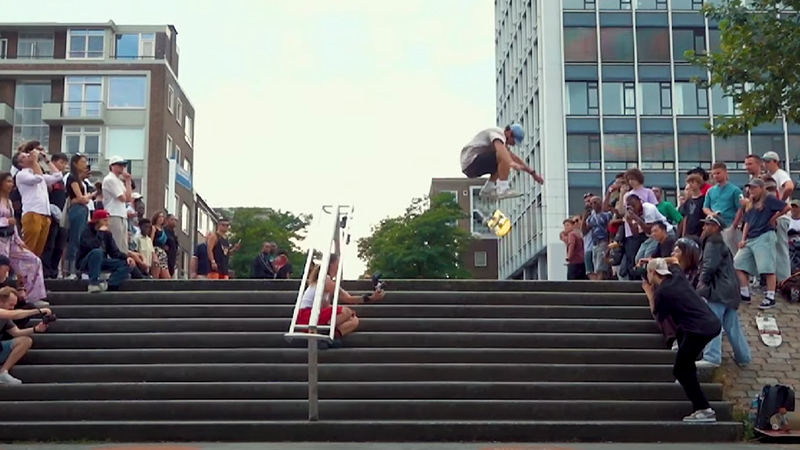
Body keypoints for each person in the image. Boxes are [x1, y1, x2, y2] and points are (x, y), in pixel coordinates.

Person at [642, 258, 721, 422]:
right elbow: (676, 260)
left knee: (680, 369)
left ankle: (704, 409)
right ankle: (688, 379)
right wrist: (655, 260)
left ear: (653, 273)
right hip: (708, 323)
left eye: (648, 271)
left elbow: (657, 314)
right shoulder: (677, 276)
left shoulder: (663, 291)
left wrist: (649, 293)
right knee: (684, 349)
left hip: (699, 330)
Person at [696, 215, 752, 369]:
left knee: (713, 324)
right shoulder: (721, 243)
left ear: (715, 227)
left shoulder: (713, 242)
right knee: (732, 326)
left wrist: (702, 284)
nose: (704, 227)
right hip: (730, 290)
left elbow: (709, 266)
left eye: (707, 225)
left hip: (717, 290)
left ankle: (712, 356)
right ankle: (744, 357)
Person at [296, 254, 384, 347]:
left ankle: (332, 337)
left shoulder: (327, 283)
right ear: (331, 265)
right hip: (306, 315)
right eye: (338, 264)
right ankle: (323, 335)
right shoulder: (324, 279)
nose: (339, 267)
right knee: (345, 311)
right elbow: (346, 298)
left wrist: (371, 298)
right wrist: (369, 298)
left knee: (354, 320)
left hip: (315, 315)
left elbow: (345, 299)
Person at [735, 178, 790, 309]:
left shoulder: (769, 199)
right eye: (750, 188)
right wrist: (743, 239)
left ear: (761, 188)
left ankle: (770, 297)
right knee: (738, 263)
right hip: (750, 237)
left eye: (754, 187)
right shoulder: (750, 203)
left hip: (764, 235)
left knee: (767, 267)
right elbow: (747, 222)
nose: (751, 190)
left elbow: (786, 206)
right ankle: (745, 293)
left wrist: (773, 218)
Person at [460, 124, 544, 200]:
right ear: (509, 133)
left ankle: (488, 188)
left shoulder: (502, 142)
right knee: (503, 157)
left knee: (503, 160)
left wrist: (533, 173)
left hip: (471, 166)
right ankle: (503, 188)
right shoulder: (497, 134)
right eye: (513, 141)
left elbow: (515, 158)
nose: (512, 145)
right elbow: (501, 150)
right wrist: (510, 162)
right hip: (470, 161)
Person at [0, 172, 47, 305]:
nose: (11, 184)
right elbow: (8, 221)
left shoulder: (9, 202)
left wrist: (19, 241)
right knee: (3, 269)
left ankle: (33, 296)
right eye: (8, 181)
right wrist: (5, 221)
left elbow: (13, 223)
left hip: (10, 239)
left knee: (34, 260)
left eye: (11, 182)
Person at [12, 146, 63, 256]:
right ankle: (22, 273)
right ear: (21, 163)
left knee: (38, 252)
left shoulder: (36, 172)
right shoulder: (21, 175)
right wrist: (35, 161)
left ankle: (34, 273)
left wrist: (46, 159)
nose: (28, 155)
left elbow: (58, 176)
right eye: (24, 156)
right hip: (32, 213)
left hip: (45, 214)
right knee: (28, 249)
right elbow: (38, 178)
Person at [0, 286, 52, 385]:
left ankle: (3, 372)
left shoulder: (6, 316)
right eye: (10, 304)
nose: (12, 308)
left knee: (25, 341)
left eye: (14, 305)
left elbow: (16, 332)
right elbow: (14, 315)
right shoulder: (7, 314)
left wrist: (35, 329)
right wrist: (38, 311)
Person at [76, 209, 134, 293]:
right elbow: (92, 246)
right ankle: (93, 283)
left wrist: (126, 258)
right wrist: (100, 233)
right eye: (104, 220)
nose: (107, 223)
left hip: (102, 261)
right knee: (97, 252)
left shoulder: (107, 234)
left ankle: (109, 284)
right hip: (86, 261)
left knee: (127, 264)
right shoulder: (86, 232)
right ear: (97, 221)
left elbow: (114, 252)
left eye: (108, 220)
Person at [64, 154, 95, 278]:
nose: (85, 164)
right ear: (75, 164)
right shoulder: (72, 178)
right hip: (77, 210)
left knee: (81, 239)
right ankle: (70, 270)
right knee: (75, 239)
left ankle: (77, 269)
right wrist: (90, 195)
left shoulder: (81, 180)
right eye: (82, 162)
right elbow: (81, 198)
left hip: (82, 210)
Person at [702, 162, 743, 256]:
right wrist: (711, 214)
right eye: (714, 174)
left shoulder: (735, 190)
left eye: (718, 173)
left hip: (728, 225)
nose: (716, 176)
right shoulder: (711, 191)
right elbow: (705, 207)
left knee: (731, 253)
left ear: (725, 173)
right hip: (714, 226)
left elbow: (740, 208)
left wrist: (734, 225)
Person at [101, 156, 133, 254]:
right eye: (119, 165)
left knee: (123, 246)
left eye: (123, 165)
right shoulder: (109, 179)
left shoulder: (118, 181)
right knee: (115, 244)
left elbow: (128, 198)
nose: (122, 167)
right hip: (113, 214)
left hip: (121, 214)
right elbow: (122, 198)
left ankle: (121, 265)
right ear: (112, 166)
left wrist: (128, 181)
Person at [585, 196, 612, 279]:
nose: (593, 205)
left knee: (601, 267)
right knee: (596, 267)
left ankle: (600, 284)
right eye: (591, 203)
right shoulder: (591, 218)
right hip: (595, 243)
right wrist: (584, 216)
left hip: (603, 241)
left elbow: (610, 230)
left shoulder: (606, 215)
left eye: (595, 202)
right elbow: (584, 231)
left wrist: (609, 243)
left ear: (600, 202)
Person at [680, 174, 706, 238]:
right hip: (689, 233)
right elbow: (685, 218)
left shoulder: (704, 199)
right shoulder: (688, 201)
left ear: (699, 184)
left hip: (699, 232)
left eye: (693, 182)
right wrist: (683, 234)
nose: (690, 184)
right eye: (689, 182)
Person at [150, 212, 172, 280]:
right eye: (159, 217)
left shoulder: (163, 230)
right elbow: (150, 241)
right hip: (157, 252)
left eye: (162, 217)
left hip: (163, 253)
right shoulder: (153, 228)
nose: (161, 219)